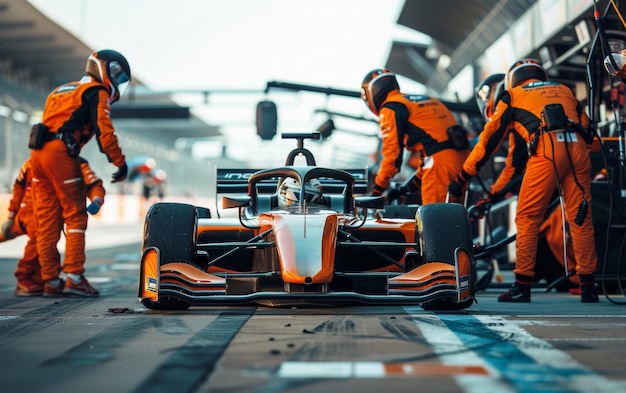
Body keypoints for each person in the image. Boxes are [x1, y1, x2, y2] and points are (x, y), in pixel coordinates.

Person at [448, 59, 598, 303]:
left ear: (512, 79)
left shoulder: (511, 95)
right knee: (581, 218)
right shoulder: (564, 90)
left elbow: (488, 140)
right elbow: (591, 135)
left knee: (527, 218)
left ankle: (521, 286)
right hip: (578, 149)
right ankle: (588, 287)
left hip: (546, 149)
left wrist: (463, 175)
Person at [29, 49, 130, 297]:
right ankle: (74, 277)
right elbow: (105, 133)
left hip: (37, 155)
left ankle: (50, 281)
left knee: (48, 220)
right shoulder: (97, 92)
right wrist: (120, 163)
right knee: (75, 216)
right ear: (107, 69)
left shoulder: (59, 90)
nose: (117, 84)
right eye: (118, 76)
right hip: (61, 154)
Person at [473, 72, 579, 292]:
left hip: (563, 187)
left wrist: (485, 192)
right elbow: (514, 169)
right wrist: (493, 196)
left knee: (532, 222)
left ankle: (527, 285)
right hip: (569, 169)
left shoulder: (517, 105)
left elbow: (512, 167)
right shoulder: (550, 98)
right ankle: (580, 279)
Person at [360, 68, 470, 205]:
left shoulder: (390, 108)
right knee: (457, 219)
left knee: (436, 221)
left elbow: (392, 158)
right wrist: (404, 189)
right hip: (462, 162)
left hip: (440, 167)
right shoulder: (426, 100)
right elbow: (435, 148)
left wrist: (377, 191)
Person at [1, 157, 106, 296]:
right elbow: (94, 184)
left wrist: (11, 216)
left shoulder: (32, 161)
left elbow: (18, 186)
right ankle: (26, 278)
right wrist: (97, 200)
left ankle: (47, 281)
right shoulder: (73, 161)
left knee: (45, 241)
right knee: (41, 240)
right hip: (33, 214)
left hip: (35, 213)